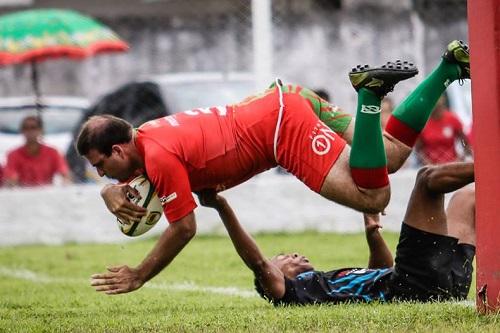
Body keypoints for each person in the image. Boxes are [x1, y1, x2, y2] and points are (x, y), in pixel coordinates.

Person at [85, 40, 470, 295]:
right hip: (284, 101)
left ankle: (369, 95)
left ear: (118, 150)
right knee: (389, 155)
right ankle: (449, 68)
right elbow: (138, 169)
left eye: (101, 166)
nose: (101, 174)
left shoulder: (157, 158)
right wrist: (107, 192)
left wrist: (139, 274)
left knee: (373, 193)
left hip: (279, 130)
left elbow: (184, 228)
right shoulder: (145, 136)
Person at [197, 161, 475, 304]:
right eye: (281, 258)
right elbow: (256, 262)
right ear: (272, 280)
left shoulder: (329, 282)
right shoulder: (293, 294)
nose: (293, 254)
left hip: (443, 286)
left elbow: (380, 274)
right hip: (416, 288)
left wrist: (373, 236)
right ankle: (492, 158)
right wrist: (221, 207)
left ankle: (489, 166)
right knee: (426, 179)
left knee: (467, 198)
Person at [3, 115, 72, 187]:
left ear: (40, 130)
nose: (30, 131)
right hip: (22, 195)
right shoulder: (13, 155)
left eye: (33, 128)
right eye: (26, 128)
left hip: (47, 194)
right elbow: (10, 180)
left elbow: (65, 175)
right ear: (22, 131)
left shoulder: (53, 153)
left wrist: (65, 183)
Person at [415, 94, 472, 165]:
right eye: (434, 109)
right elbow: (418, 150)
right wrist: (427, 163)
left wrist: (461, 158)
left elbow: (465, 142)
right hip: (432, 168)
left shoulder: (452, 118)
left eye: (440, 107)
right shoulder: (422, 123)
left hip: (452, 165)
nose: (438, 112)